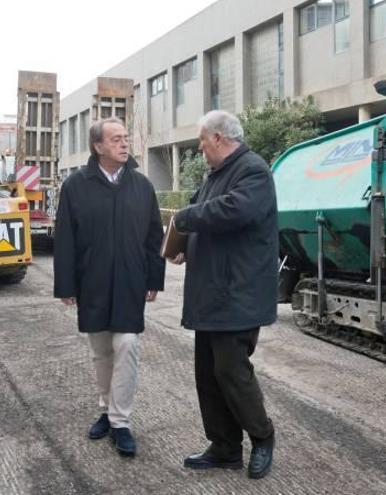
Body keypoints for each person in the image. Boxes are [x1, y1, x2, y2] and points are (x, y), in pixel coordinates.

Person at [169, 110, 277, 479]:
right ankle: (225, 447)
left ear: (218, 137)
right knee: (208, 375)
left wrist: (184, 220)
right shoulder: (214, 176)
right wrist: (185, 244)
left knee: (231, 371)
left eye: (201, 141)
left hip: (238, 295)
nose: (200, 148)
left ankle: (263, 437)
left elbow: (234, 211)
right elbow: (205, 217)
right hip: (211, 295)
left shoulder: (253, 170)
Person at [53, 117, 165, 458]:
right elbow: (66, 240)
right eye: (116, 139)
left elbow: (154, 237)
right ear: (98, 146)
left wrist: (154, 278)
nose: (124, 144)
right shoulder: (75, 187)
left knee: (127, 345)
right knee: (101, 352)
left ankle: (120, 421)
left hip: (131, 282)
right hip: (93, 284)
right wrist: (66, 285)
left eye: (125, 138)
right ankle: (105, 408)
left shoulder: (141, 186)